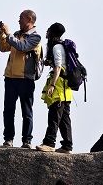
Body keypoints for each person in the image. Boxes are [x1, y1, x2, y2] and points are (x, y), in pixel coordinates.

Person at [0, 10, 42, 148]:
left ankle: (26, 140)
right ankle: (8, 138)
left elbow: (22, 47)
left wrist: (8, 33)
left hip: (26, 79)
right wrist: (1, 33)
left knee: (26, 111)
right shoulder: (16, 35)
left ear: (29, 19)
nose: (18, 21)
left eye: (20, 18)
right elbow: (4, 48)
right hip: (10, 77)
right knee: (8, 110)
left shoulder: (35, 37)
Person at [36, 22, 73, 153]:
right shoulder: (60, 46)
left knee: (54, 116)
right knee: (64, 119)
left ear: (52, 32)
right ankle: (67, 145)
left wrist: (52, 84)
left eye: (49, 30)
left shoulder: (57, 47)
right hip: (65, 89)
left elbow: (58, 67)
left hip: (59, 88)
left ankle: (49, 143)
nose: (46, 32)